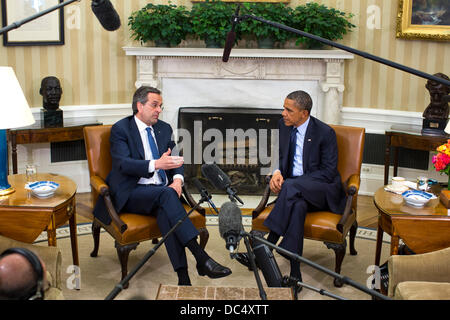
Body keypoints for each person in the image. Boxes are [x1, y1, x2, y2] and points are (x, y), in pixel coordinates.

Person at [93, 86, 231, 286]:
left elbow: (176, 162)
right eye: (154, 105)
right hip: (132, 192)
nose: (159, 110)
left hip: (159, 192)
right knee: (166, 197)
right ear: (139, 106)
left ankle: (183, 278)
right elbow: (123, 164)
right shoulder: (121, 129)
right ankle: (201, 258)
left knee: (166, 213)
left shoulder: (164, 128)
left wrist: (177, 180)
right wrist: (156, 164)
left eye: (161, 106)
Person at [236, 90, 347, 297]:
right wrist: (277, 171)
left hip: (322, 191)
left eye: (289, 110)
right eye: (283, 108)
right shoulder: (283, 126)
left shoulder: (325, 133)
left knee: (291, 188)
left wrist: (291, 184)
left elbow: (328, 172)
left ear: (304, 113)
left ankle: (267, 243)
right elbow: (280, 155)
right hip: (295, 193)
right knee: (297, 207)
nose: (283, 113)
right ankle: (295, 275)